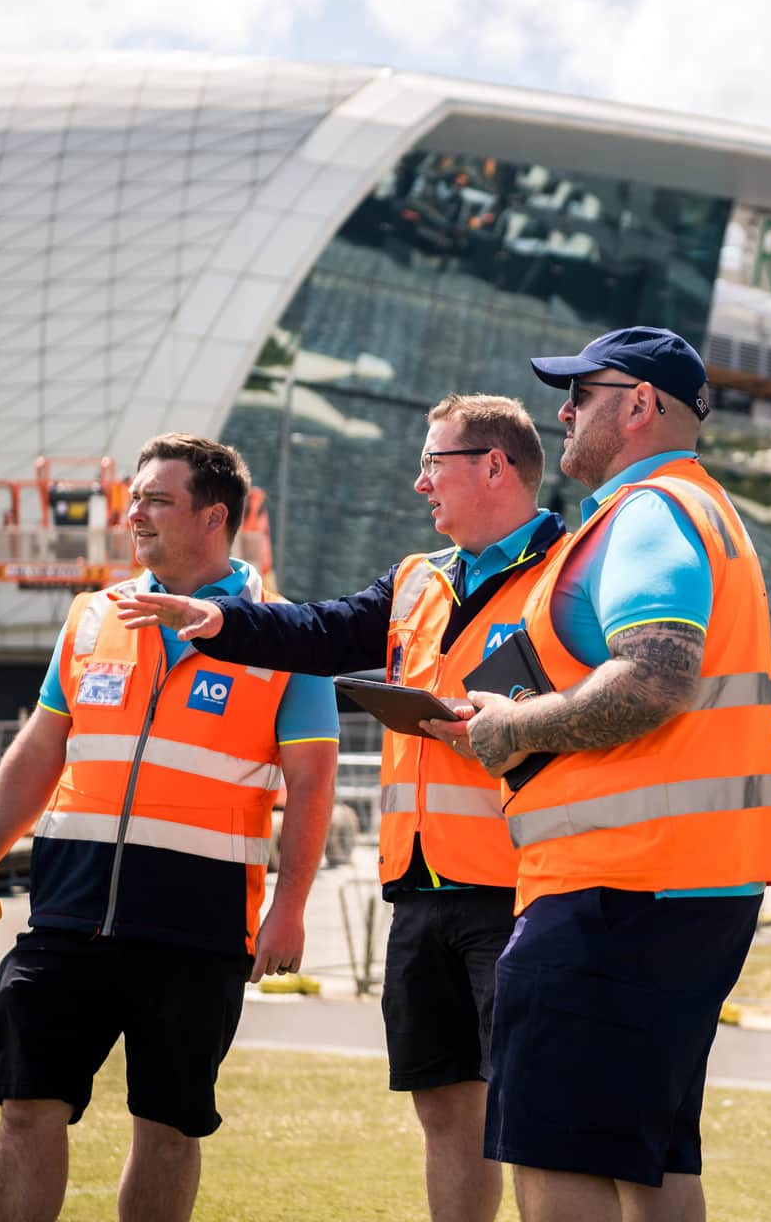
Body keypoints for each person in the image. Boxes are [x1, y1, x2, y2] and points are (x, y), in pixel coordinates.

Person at [111, 394, 563, 1222]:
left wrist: (518, 724)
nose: (420, 483)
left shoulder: (572, 569)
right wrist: (219, 619)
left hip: (526, 888)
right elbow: (319, 631)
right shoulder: (418, 578)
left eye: (433, 463)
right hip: (420, 888)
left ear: (495, 467)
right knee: (444, 1112)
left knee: (534, 1117)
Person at [437, 327, 771, 1222]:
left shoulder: (648, 512)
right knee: (653, 1162)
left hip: (617, 889)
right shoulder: (696, 508)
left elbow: (657, 675)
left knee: (556, 1157)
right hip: (682, 883)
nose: (563, 413)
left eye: (580, 394)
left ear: (639, 405)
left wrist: (513, 726)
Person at [0, 433, 339, 1222]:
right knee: (24, 1107)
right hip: (66, 916)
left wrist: (288, 908)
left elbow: (312, 783)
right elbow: (40, 749)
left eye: (158, 499)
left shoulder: (287, 635)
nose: (135, 515)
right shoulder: (93, 616)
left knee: (168, 1129)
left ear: (214, 518)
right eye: (136, 498)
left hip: (199, 928)